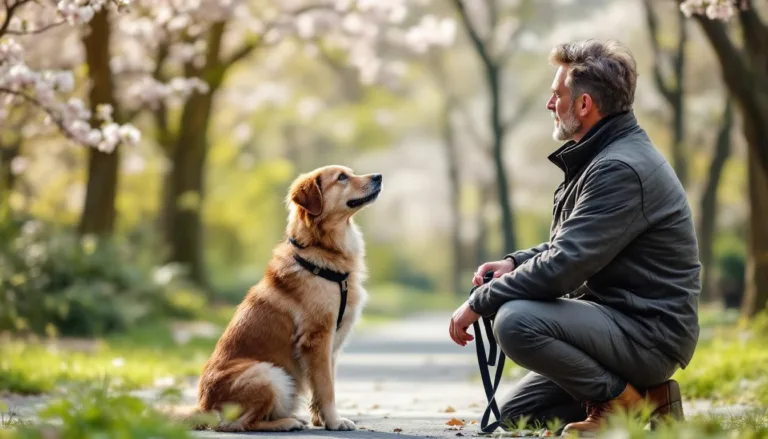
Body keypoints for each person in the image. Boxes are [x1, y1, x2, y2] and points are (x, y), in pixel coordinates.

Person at [448, 39, 700, 436]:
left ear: (584, 105)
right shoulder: (602, 157)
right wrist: (514, 262)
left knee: (515, 321)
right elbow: (575, 244)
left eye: (557, 95)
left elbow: (565, 267)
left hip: (648, 334)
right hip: (617, 323)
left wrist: (479, 302)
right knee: (518, 416)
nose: (550, 104)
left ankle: (618, 407)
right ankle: (651, 402)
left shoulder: (619, 167)